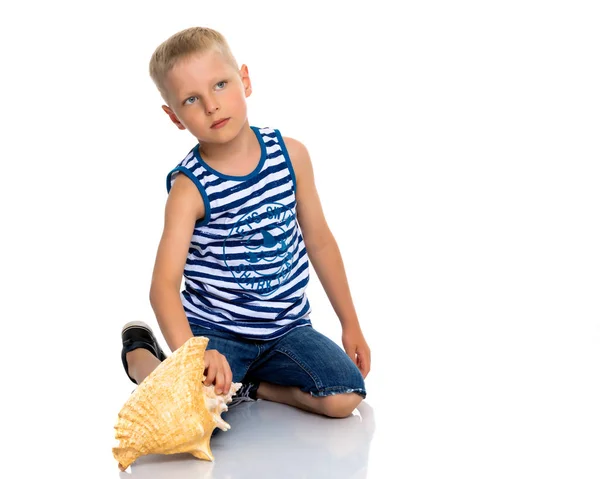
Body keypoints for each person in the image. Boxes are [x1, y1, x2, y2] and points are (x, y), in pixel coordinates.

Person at [120, 26, 371, 419]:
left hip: (286, 331)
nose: (211, 106)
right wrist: (197, 356)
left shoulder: (291, 156)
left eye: (220, 84)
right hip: (216, 335)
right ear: (174, 117)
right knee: (186, 415)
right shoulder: (189, 189)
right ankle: (141, 358)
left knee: (345, 396)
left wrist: (350, 322)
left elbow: (319, 241)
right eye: (191, 99)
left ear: (245, 80)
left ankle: (253, 387)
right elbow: (163, 287)